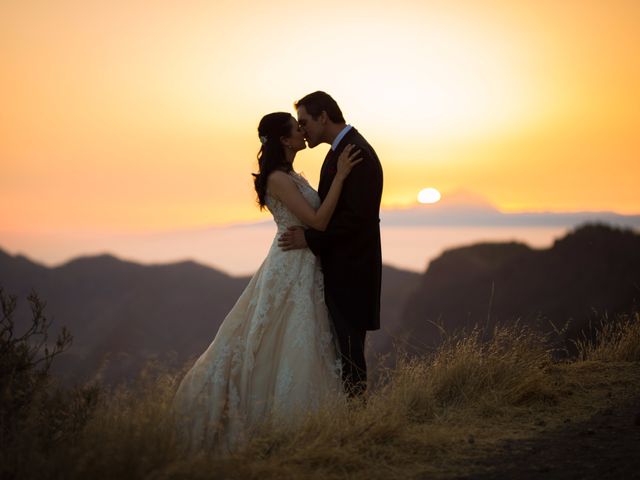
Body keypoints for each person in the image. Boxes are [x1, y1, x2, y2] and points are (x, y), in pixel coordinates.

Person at [171, 111, 362, 453]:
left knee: (300, 337)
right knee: (282, 336)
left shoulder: (291, 174)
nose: (303, 131)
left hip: (304, 264)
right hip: (290, 266)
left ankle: (308, 430)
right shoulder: (278, 178)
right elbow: (317, 221)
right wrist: (342, 177)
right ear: (285, 140)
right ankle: (275, 425)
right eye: (296, 127)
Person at [279, 91, 383, 397]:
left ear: (323, 117)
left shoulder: (356, 153)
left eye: (305, 121)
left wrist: (308, 238)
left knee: (350, 354)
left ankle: (358, 423)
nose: (302, 130)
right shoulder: (339, 151)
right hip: (340, 271)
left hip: (352, 273)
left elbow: (357, 222)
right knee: (342, 353)